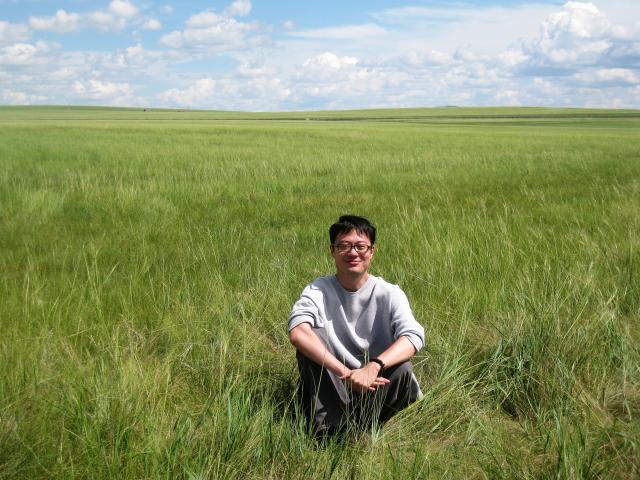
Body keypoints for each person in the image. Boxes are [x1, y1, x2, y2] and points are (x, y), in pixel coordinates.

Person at [288, 215, 424, 435]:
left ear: (372, 251)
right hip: (336, 383)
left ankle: (371, 426)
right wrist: (346, 373)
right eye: (344, 246)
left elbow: (413, 336)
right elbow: (298, 332)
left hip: (377, 383)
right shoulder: (318, 290)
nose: (353, 253)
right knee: (310, 343)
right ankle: (330, 430)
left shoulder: (390, 293)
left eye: (360, 246)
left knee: (403, 367)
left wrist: (374, 366)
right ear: (332, 251)